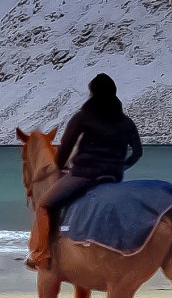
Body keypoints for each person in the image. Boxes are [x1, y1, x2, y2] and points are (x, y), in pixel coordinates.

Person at [36, 73, 142, 260]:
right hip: (114, 176)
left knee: (45, 205)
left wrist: (59, 167)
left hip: (84, 175)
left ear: (93, 93)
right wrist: (121, 167)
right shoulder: (126, 122)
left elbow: (65, 147)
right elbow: (137, 153)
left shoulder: (83, 118)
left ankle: (47, 252)